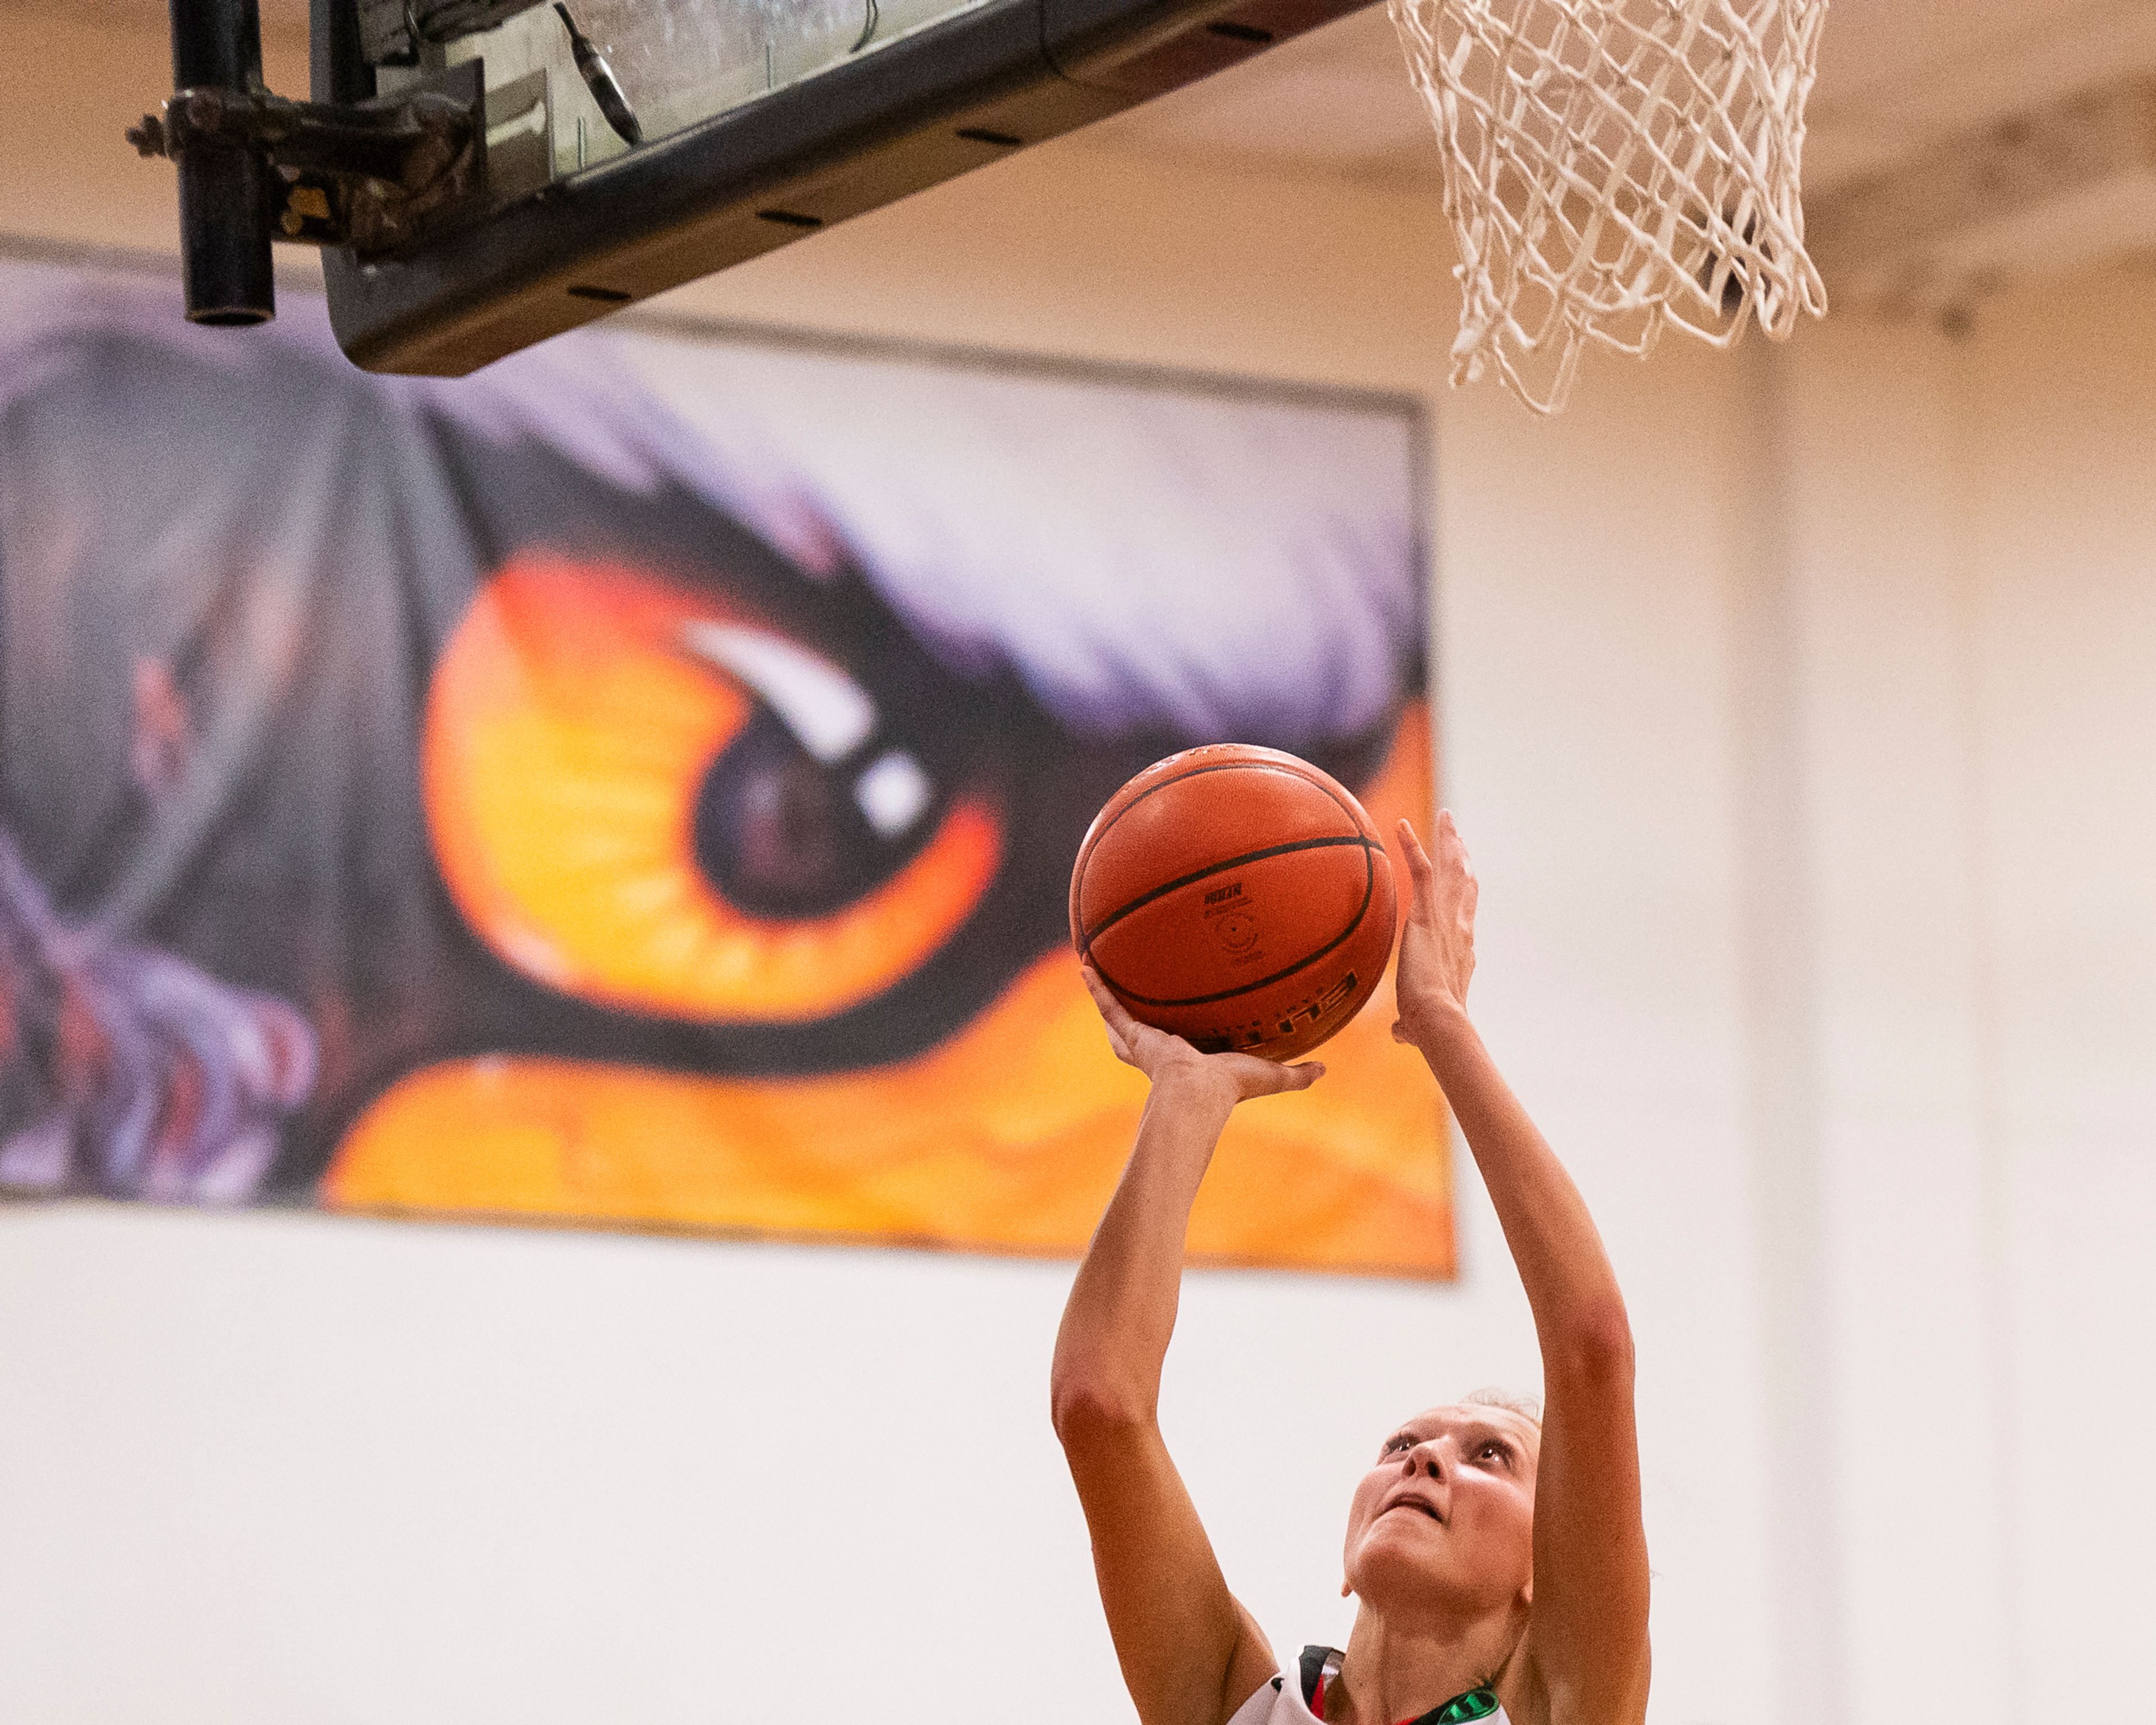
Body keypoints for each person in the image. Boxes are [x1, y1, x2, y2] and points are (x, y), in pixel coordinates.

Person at [1052, 812, 1650, 1725]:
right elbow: (1099, 1405)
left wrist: (1441, 1022)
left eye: (1491, 1456)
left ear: (1551, 1568)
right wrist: (1186, 1095)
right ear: (1346, 1555)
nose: (1427, 1463)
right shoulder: (1238, 1705)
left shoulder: (1562, 1708)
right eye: (1404, 1447)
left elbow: (1592, 1344)